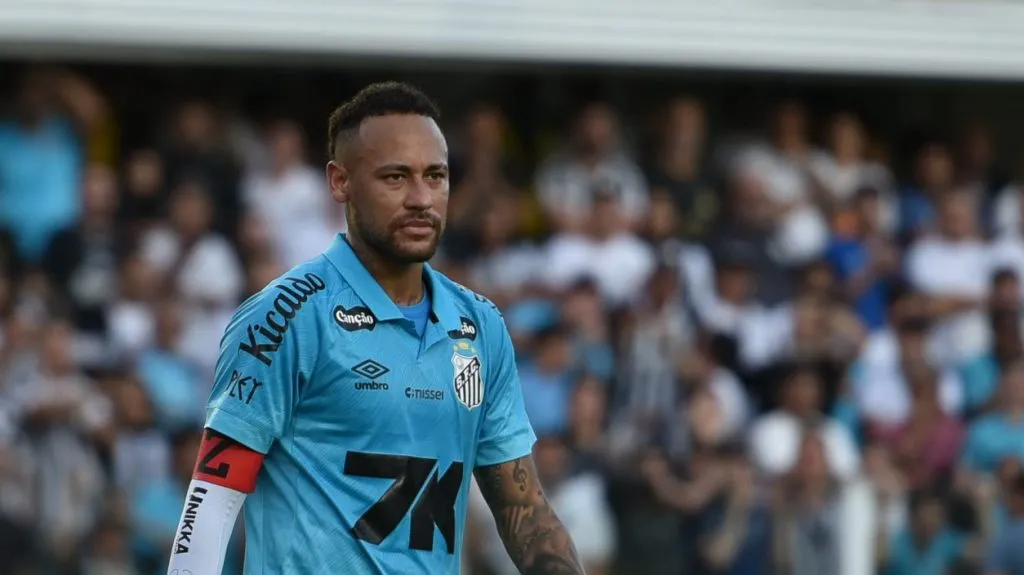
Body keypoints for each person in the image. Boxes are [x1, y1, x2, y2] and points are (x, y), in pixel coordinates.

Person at [164, 82, 584, 575]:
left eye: (436, 176)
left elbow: (525, 511)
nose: (421, 198)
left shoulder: (481, 326)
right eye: (395, 178)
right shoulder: (285, 316)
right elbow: (212, 500)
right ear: (340, 182)